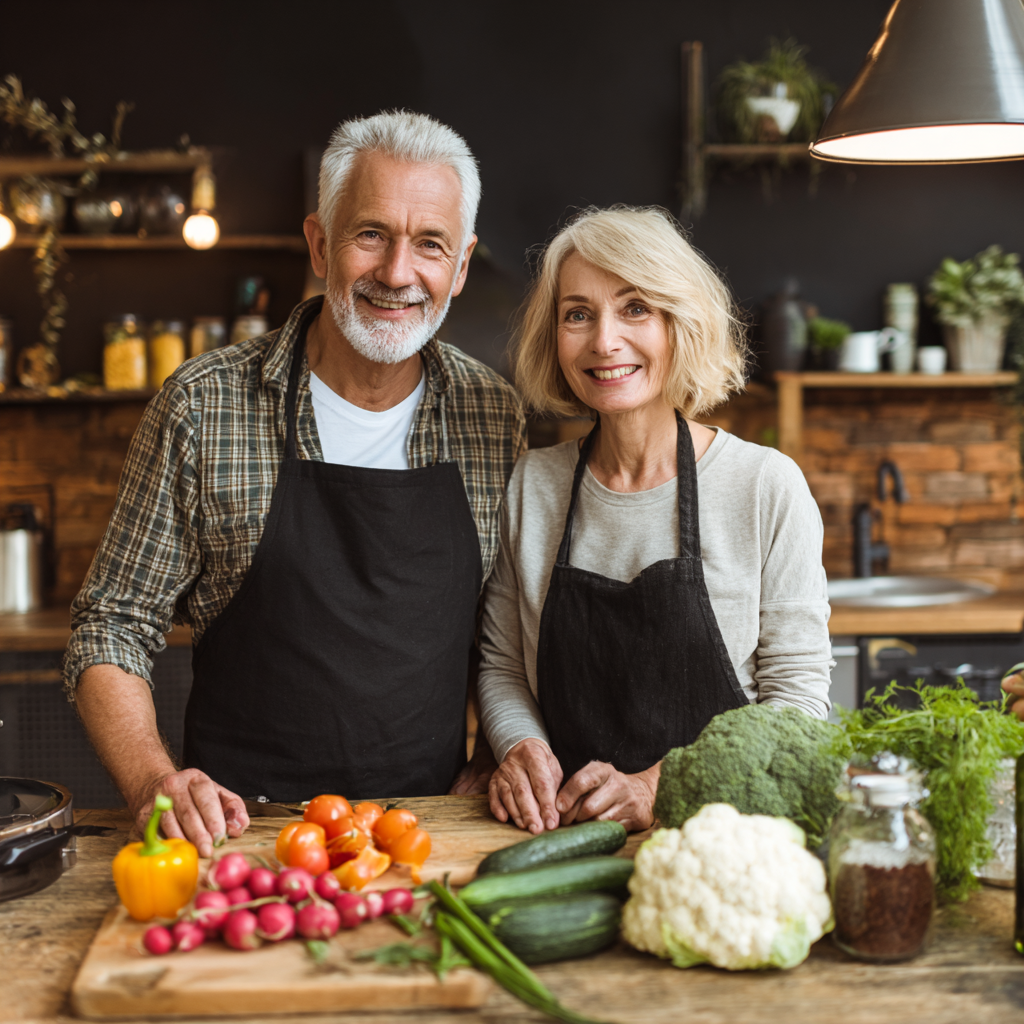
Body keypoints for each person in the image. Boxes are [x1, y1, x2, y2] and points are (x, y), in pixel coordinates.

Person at [64, 111, 525, 856]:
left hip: (423, 835)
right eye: (370, 234)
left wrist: (495, 754)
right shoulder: (203, 406)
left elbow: (502, 636)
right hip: (241, 836)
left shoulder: (493, 415)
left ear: (462, 265)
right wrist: (153, 779)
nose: (397, 273)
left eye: (430, 244)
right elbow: (111, 624)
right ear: (319, 243)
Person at [478, 206, 832, 835]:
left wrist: (657, 787)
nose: (604, 341)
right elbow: (503, 666)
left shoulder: (764, 486)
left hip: (721, 835)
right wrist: (520, 746)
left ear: (681, 324)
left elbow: (798, 704)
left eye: (635, 308)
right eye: (577, 314)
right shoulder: (532, 485)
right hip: (561, 835)